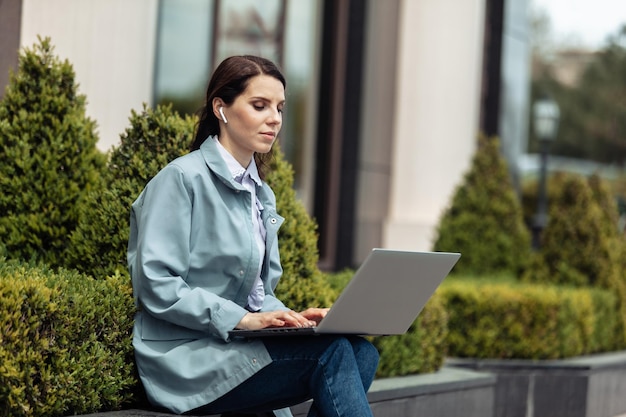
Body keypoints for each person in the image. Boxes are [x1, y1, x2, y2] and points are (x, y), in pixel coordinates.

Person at [127, 55, 379, 417]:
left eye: (279, 108)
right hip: (186, 356)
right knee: (333, 353)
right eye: (259, 105)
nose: (274, 119)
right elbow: (155, 283)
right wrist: (241, 320)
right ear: (221, 108)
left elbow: (257, 296)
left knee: (360, 350)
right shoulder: (181, 179)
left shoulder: (261, 193)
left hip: (236, 345)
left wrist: (295, 320)